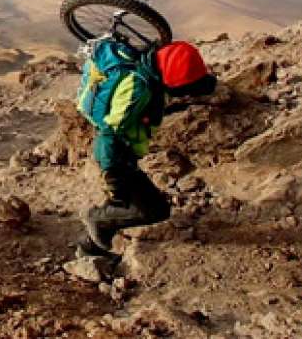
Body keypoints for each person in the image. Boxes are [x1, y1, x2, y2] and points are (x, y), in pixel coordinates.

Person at [73, 39, 217, 259]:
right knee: (153, 210)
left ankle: (93, 246)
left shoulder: (153, 62)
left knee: (124, 203)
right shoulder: (137, 90)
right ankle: (96, 225)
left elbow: (190, 78)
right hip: (117, 158)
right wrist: (112, 175)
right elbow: (110, 133)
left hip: (123, 154)